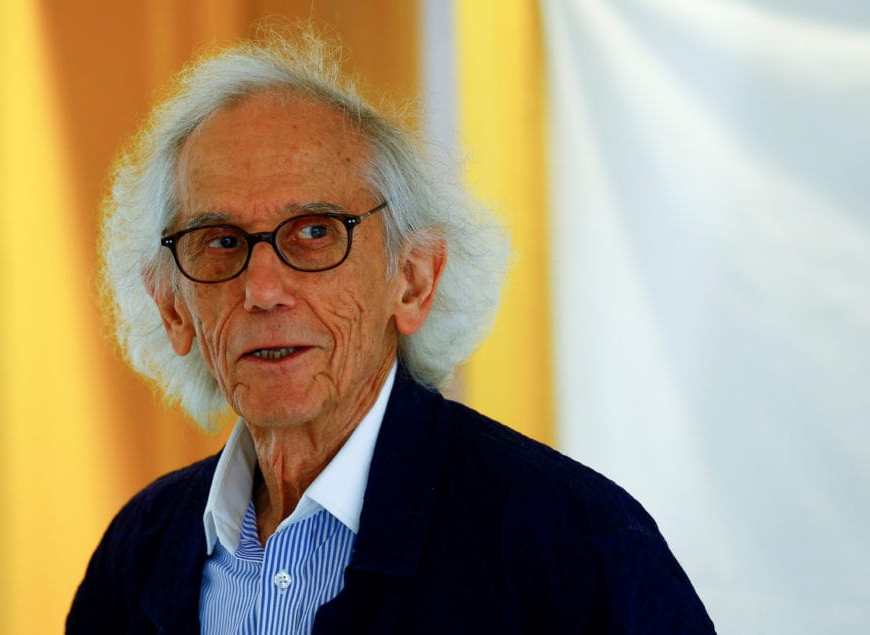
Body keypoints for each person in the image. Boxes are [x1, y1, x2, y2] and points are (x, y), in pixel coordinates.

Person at [67, 34, 715, 634]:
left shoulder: (573, 546)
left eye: (315, 232)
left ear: (412, 280)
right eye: (220, 242)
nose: (262, 289)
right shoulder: (139, 555)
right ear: (173, 307)